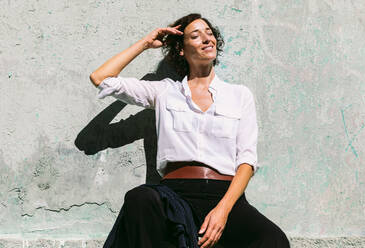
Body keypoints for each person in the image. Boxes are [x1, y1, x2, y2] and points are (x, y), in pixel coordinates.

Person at [90, 13, 290, 248]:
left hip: (224, 194)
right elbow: (101, 77)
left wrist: (222, 211)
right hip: (176, 194)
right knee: (139, 198)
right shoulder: (164, 92)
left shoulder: (239, 95)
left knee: (273, 240)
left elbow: (246, 160)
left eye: (209, 33)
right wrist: (146, 43)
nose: (207, 39)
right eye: (195, 35)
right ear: (181, 50)